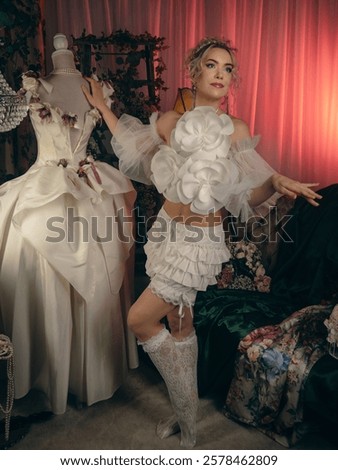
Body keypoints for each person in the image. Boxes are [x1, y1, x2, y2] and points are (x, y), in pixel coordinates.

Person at [82, 37, 321, 448]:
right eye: (212, 66)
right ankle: (187, 416)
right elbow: (130, 139)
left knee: (139, 320)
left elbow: (246, 198)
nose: (221, 75)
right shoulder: (171, 124)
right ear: (193, 72)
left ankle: (186, 412)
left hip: (197, 243)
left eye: (228, 69)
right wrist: (104, 108)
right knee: (179, 322)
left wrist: (276, 183)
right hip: (165, 233)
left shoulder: (237, 131)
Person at [0, 33, 138, 414]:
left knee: (97, 272)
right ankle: (50, 375)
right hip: (45, 187)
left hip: (90, 183)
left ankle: (89, 371)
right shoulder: (35, 86)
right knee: (47, 274)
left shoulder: (96, 89)